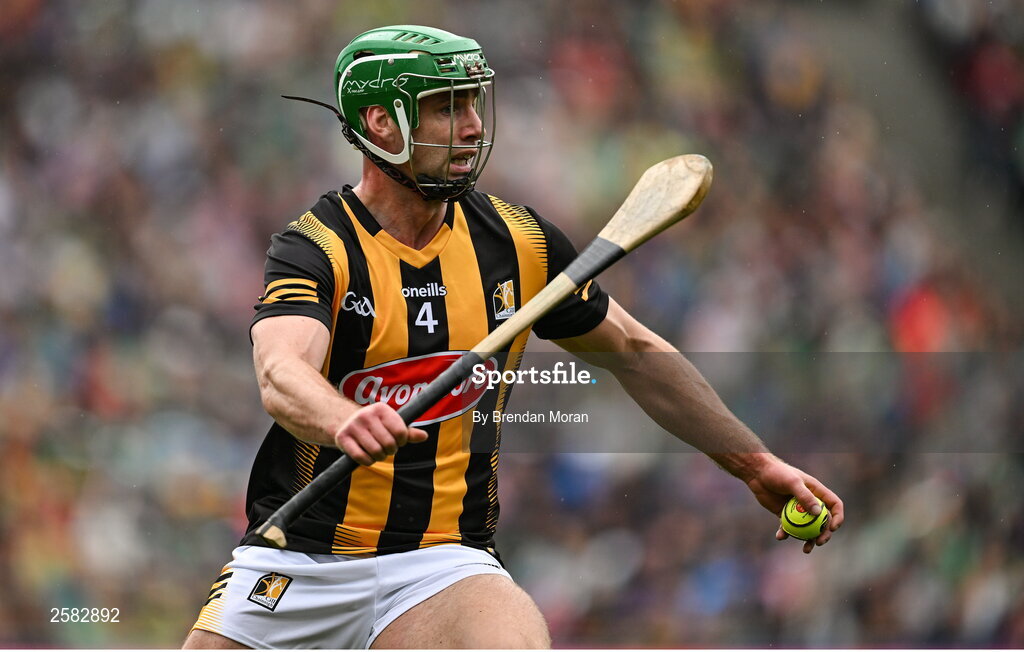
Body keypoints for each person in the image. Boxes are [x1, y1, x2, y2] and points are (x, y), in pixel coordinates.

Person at [183, 24, 844, 649]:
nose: (472, 127)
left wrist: (754, 462)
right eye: (445, 108)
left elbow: (637, 355)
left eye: (473, 104)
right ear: (380, 124)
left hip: (442, 564)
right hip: (299, 560)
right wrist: (343, 418)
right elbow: (280, 372)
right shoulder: (316, 247)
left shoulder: (518, 243)